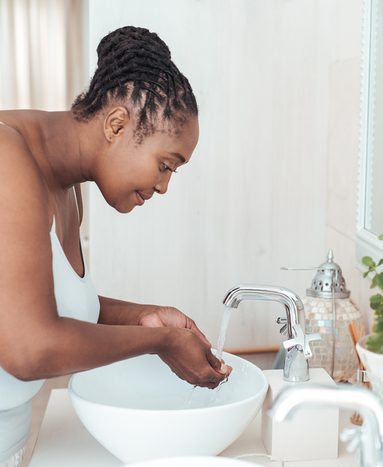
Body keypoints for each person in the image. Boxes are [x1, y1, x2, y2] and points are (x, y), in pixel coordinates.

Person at [0, 26, 231, 466]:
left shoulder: (69, 187)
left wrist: (143, 317)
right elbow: (27, 348)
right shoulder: (4, 156)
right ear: (117, 123)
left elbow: (30, 303)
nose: (163, 186)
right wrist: (159, 342)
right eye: (166, 165)